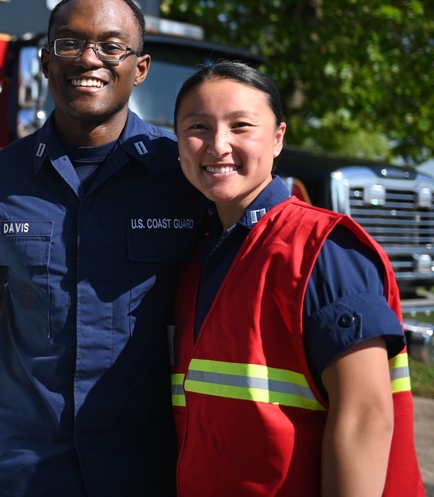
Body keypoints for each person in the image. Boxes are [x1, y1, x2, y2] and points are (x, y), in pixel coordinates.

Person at [0, 0, 212, 495]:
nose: (89, 59)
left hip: (149, 463)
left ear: (140, 68)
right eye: (69, 43)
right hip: (28, 465)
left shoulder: (186, 177)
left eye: (112, 46)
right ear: (47, 62)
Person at [170, 60, 423, 496]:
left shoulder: (324, 251)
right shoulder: (198, 254)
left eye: (240, 126)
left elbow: (366, 416)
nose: (218, 145)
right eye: (198, 128)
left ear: (278, 139)